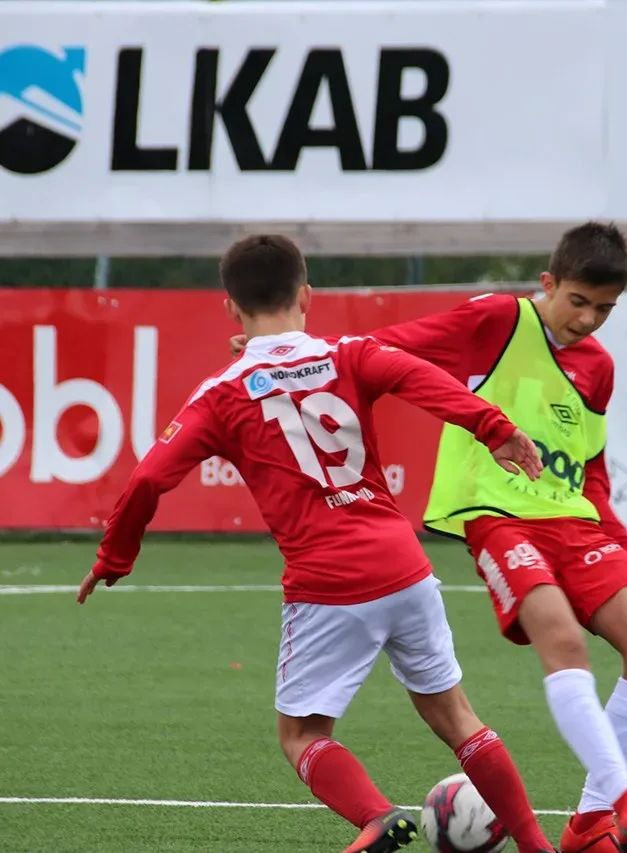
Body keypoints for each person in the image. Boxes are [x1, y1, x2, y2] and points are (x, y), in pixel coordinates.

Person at [80, 235, 560, 853]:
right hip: (405, 566)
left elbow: (148, 476)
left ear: (230, 307)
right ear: (308, 295)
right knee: (457, 718)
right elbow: (423, 379)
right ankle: (538, 847)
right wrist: (495, 428)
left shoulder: (223, 393)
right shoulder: (352, 353)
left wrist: (115, 556)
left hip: (328, 582)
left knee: (302, 735)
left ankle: (376, 816)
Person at [230, 222, 627, 853]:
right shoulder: (498, 321)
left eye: (604, 308)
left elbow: (592, 475)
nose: (588, 319)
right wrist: (292, 357)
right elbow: (385, 346)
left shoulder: (599, 369)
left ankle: (591, 822)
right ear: (547, 284)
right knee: (561, 637)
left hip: (572, 520)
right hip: (497, 514)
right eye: (578, 301)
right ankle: (625, 797)